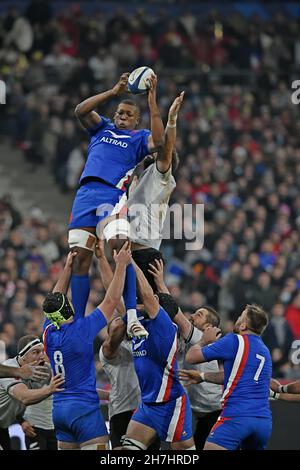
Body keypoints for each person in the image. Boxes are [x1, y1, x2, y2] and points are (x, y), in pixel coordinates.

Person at [69, 72, 165, 338]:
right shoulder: (103, 128)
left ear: (136, 121)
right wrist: (113, 92)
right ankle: (78, 321)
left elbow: (160, 141)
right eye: (120, 112)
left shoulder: (138, 138)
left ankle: (132, 316)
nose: (122, 116)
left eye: (127, 115)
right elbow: (80, 110)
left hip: (111, 196)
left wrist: (152, 100)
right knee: (79, 259)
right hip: (85, 195)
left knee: (121, 251)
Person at [42, 245, 131, 450]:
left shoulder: (48, 332)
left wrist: (67, 269)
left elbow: (55, 298)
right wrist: (121, 266)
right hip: (84, 410)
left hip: (59, 412)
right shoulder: (82, 330)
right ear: (67, 308)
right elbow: (112, 300)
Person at [148, 259, 223, 449]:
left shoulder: (199, 335)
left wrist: (159, 282)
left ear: (209, 326)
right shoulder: (184, 336)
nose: (192, 315)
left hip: (211, 409)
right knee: (180, 446)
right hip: (191, 405)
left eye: (199, 314)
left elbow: (174, 311)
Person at [121, 261, 195, 451]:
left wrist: (132, 262)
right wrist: (111, 262)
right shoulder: (139, 323)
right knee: (128, 450)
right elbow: (117, 300)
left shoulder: (164, 325)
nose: (139, 303)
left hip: (171, 403)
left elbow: (147, 295)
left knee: (184, 453)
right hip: (148, 403)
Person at [180, 304, 272, 451]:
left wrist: (204, 340)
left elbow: (191, 357)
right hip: (263, 422)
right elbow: (232, 376)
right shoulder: (265, 351)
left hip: (237, 417)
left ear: (243, 326)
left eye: (240, 316)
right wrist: (202, 376)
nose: (237, 319)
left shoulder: (234, 341)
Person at [0, 335, 64, 450]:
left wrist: (106, 394)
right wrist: (49, 389)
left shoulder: (45, 369)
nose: (42, 356)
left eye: (43, 351)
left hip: (3, 426)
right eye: (36, 352)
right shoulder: (10, 368)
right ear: (23, 356)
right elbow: (24, 397)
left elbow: (71, 387)